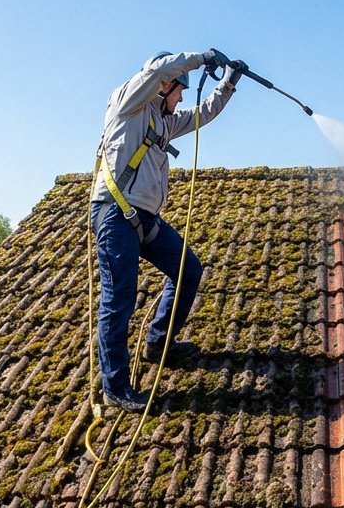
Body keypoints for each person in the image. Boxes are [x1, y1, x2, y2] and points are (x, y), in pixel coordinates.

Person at [91, 49, 243, 412]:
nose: (180, 99)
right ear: (164, 86)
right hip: (115, 215)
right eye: (178, 91)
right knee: (119, 299)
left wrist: (229, 83)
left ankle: (158, 342)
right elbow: (158, 69)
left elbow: (203, 114)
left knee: (189, 270)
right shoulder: (130, 103)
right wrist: (202, 57)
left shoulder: (163, 120)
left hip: (145, 219)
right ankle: (115, 387)